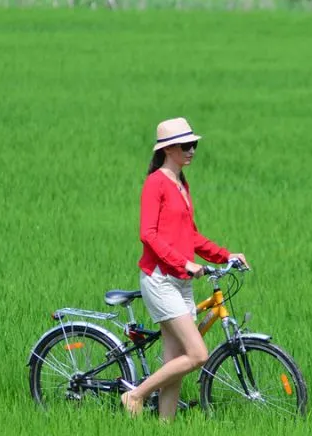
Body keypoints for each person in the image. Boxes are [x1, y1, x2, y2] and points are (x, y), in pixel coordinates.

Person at [121, 117, 247, 420]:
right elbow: (148, 234)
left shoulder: (181, 184)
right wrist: (184, 262)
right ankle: (135, 395)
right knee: (198, 354)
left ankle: (165, 425)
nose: (192, 150)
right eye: (186, 145)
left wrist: (225, 255)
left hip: (180, 281)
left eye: (194, 145)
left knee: (175, 362)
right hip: (160, 280)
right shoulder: (156, 183)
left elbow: (190, 235)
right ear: (168, 149)